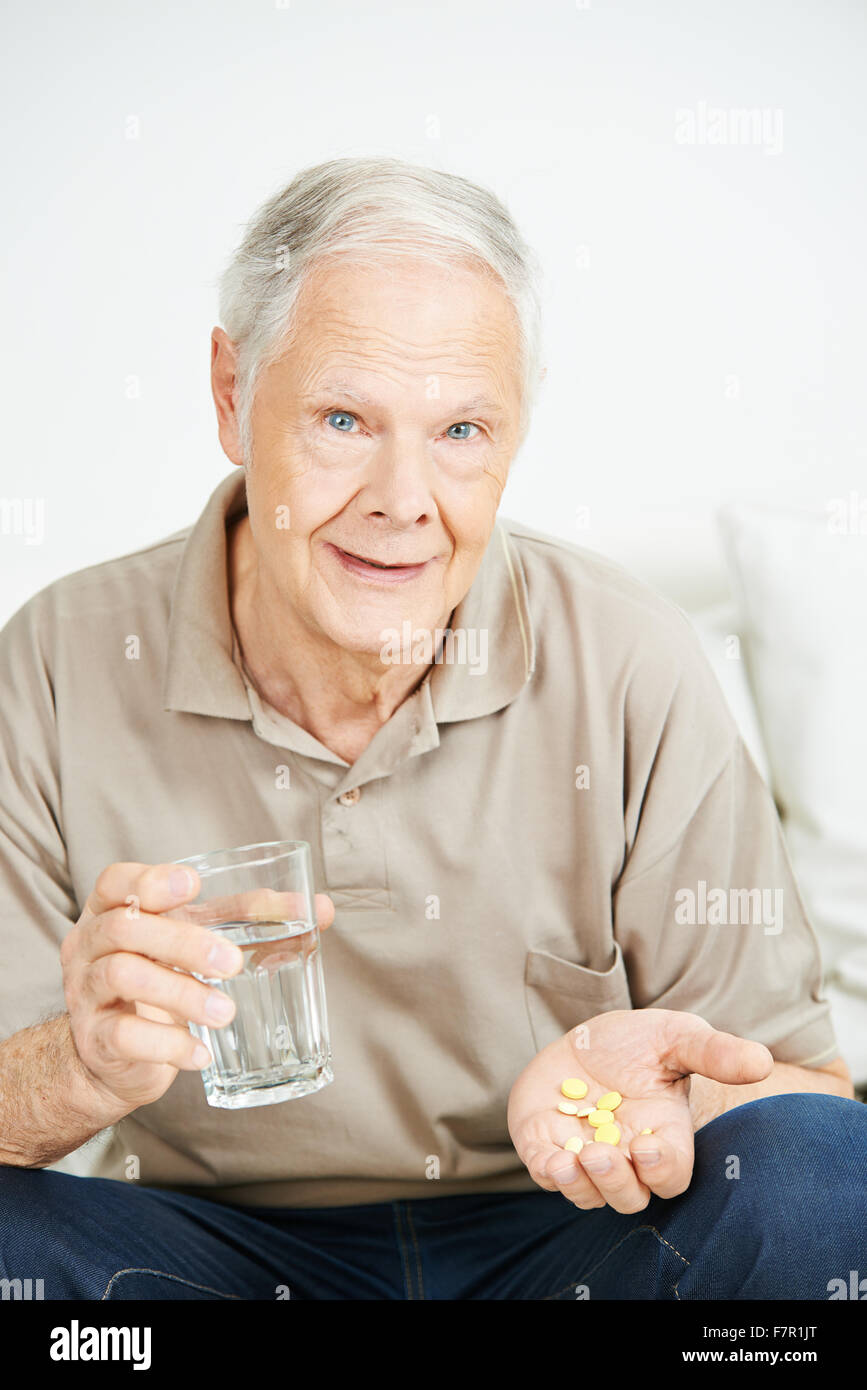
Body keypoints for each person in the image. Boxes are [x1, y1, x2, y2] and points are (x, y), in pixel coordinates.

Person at [0, 157, 863, 1301]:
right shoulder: (58, 660)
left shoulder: (629, 659)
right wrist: (82, 1063)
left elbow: (805, 1087)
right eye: (344, 418)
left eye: (461, 429)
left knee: (816, 1177)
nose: (404, 498)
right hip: (205, 1266)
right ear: (228, 395)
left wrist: (677, 1104)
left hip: (571, 1249)